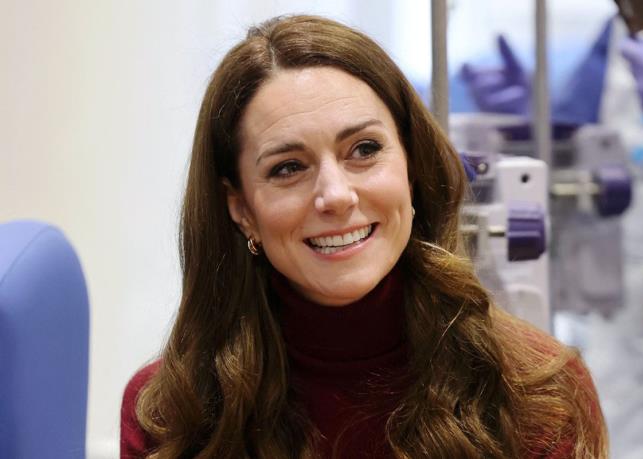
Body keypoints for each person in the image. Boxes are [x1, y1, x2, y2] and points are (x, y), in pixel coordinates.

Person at [120, 15, 607, 458]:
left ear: (412, 167)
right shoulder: (170, 415)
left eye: (364, 149)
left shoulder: (540, 395)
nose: (335, 195)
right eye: (288, 168)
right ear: (242, 209)